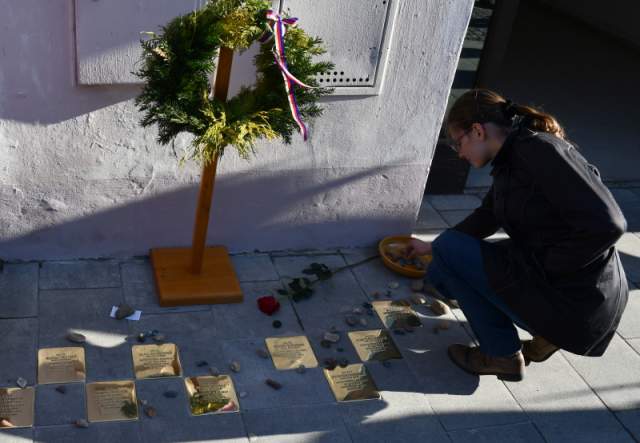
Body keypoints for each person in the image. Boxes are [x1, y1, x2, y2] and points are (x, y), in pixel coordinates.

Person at [406, 89, 628, 381]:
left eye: (459, 142)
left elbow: (609, 224)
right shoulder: (514, 154)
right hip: (572, 293)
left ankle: (502, 355)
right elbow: (489, 215)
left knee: (450, 252)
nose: (459, 153)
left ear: (478, 131)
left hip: (577, 305)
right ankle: (541, 335)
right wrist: (431, 247)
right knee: (444, 263)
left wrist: (546, 269)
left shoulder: (540, 152)